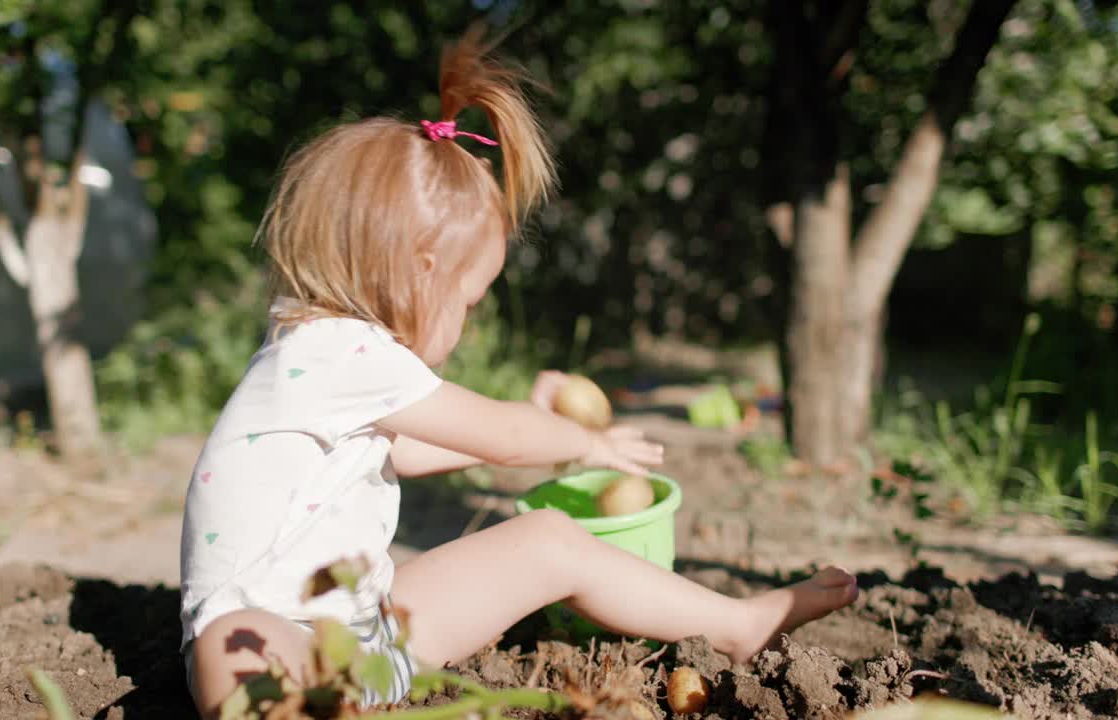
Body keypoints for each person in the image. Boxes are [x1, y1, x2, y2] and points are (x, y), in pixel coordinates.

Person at [179, 27, 858, 718]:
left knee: (549, 542)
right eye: (468, 300)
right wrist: (581, 442)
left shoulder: (339, 363)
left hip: (369, 633)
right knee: (236, 645)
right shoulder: (327, 351)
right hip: (275, 637)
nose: (466, 320)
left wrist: (536, 414)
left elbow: (411, 449)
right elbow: (501, 438)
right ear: (422, 273)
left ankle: (736, 625)